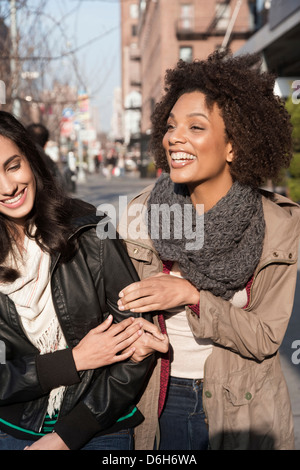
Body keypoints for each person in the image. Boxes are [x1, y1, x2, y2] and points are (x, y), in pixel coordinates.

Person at [117, 50, 300, 450]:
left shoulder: (279, 225)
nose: (174, 138)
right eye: (170, 126)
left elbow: (266, 337)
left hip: (245, 409)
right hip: (158, 400)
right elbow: (115, 312)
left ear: (234, 146)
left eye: (195, 127)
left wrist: (192, 296)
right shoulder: (138, 216)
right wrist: (136, 338)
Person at [0, 111, 168, 451]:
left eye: (12, 166)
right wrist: (73, 360)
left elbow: (136, 345)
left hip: (98, 426)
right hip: (12, 430)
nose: (8, 187)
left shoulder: (89, 229)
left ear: (31, 160)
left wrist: (67, 436)